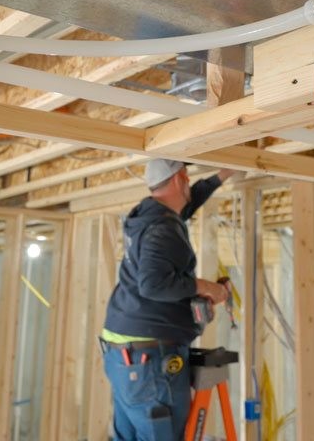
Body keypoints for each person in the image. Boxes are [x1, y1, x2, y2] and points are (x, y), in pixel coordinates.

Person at [99, 159, 237, 440]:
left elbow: (186, 204)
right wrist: (205, 286)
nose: (189, 183)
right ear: (178, 179)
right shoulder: (163, 229)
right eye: (186, 177)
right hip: (150, 361)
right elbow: (153, 285)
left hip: (125, 355)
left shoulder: (148, 216)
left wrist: (222, 175)